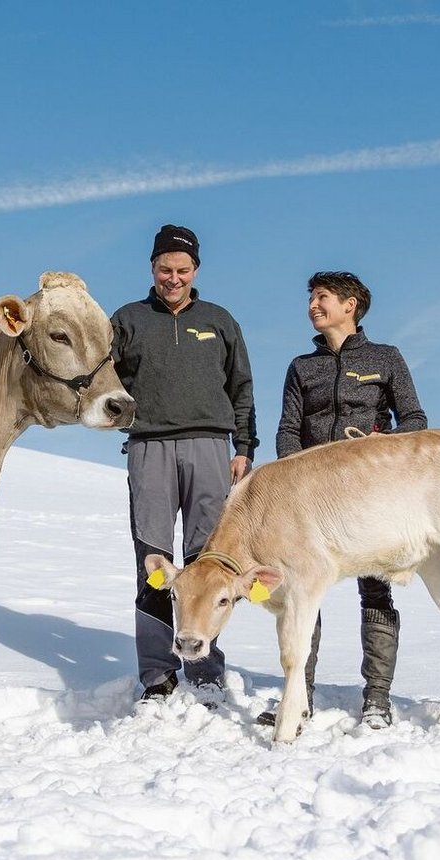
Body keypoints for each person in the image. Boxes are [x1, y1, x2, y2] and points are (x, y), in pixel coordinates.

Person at [269, 270, 428, 729]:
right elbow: (287, 429)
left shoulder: (386, 358)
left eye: (321, 298)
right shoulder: (302, 367)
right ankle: (301, 697)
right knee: (303, 592)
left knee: (376, 587)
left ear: (349, 304)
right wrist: (289, 478)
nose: (312, 306)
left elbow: (414, 418)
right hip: (311, 501)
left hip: (371, 497)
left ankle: (377, 698)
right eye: (312, 298)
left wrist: (383, 447)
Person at [110, 224, 259, 703]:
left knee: (208, 564)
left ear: (196, 270)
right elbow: (105, 379)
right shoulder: (128, 319)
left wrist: (244, 447)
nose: (173, 278)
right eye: (164, 269)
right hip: (149, 448)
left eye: (182, 270)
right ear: (151, 268)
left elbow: (241, 387)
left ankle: (205, 669)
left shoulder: (218, 320)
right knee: (152, 559)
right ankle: (156, 672)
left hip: (211, 447)